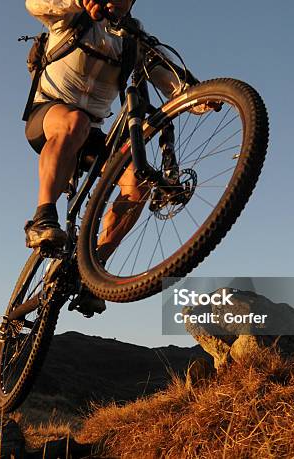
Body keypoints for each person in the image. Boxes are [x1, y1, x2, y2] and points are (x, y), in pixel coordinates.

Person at [24, 0, 182, 314]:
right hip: (49, 114)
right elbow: (34, 4)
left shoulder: (131, 39)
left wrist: (195, 95)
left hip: (92, 130)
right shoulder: (73, 17)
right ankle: (42, 219)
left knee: (138, 184)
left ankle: (92, 267)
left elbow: (169, 78)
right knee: (74, 123)